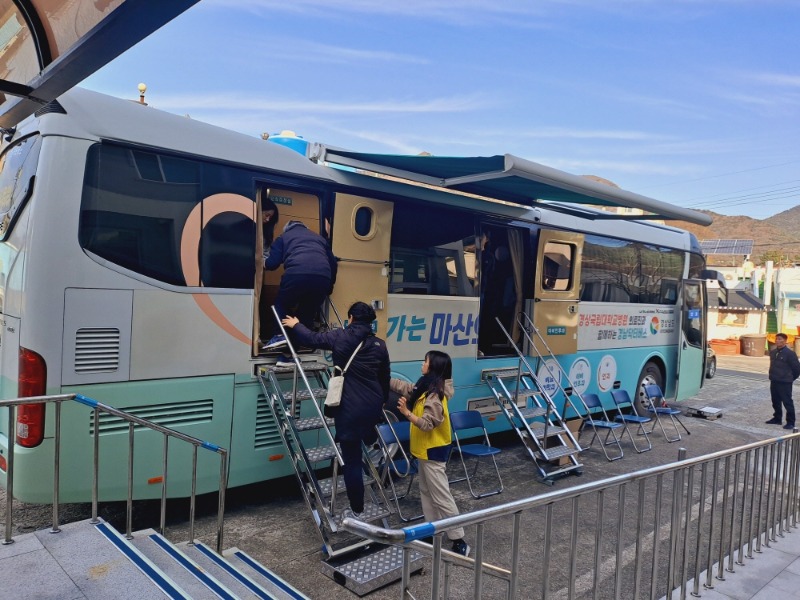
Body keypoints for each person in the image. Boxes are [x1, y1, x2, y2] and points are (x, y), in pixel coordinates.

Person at [282, 302, 389, 518]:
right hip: (372, 403)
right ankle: (370, 437)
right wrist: (381, 403)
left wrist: (296, 324)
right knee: (364, 433)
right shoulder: (380, 344)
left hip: (349, 406)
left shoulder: (341, 337)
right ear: (370, 322)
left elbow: (312, 339)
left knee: (352, 461)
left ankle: (357, 509)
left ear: (350, 318)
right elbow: (384, 378)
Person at [392, 350, 471, 557]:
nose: (422, 364)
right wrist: (384, 377)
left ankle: (458, 539)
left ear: (433, 367)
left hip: (433, 452)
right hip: (424, 452)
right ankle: (432, 530)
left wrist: (407, 414)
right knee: (427, 493)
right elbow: (407, 388)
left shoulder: (435, 395)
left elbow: (427, 424)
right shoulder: (426, 386)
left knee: (441, 496)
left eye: (425, 361)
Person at [263, 219, 338, 349]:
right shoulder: (319, 239)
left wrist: (262, 263)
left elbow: (272, 263)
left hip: (297, 273)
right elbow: (333, 264)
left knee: (282, 304)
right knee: (307, 310)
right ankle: (299, 345)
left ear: (287, 229)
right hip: (322, 277)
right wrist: (329, 286)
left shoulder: (284, 237)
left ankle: (280, 335)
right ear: (305, 228)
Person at [765, 332, 800, 429]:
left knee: (787, 402)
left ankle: (790, 422)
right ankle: (777, 418)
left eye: (780, 339)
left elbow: (797, 369)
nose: (777, 341)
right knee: (775, 401)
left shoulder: (790, 354)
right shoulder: (773, 352)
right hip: (774, 380)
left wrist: (790, 378)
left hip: (785, 382)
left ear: (785, 341)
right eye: (776, 339)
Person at [258, 196, 280, 344]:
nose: (267, 220)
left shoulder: (266, 235)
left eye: (270, 218)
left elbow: (266, 257)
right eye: (266, 215)